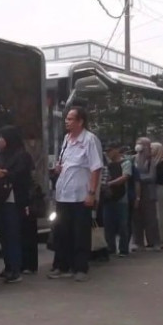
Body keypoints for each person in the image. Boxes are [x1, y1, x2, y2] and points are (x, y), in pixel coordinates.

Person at [48, 106, 102, 283]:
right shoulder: (66, 139)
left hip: (80, 195)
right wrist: (58, 168)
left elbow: (95, 168)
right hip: (63, 193)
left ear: (81, 121)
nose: (67, 121)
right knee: (62, 231)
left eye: (71, 119)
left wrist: (91, 193)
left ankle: (80, 267)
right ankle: (62, 265)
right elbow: (66, 162)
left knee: (80, 233)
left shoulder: (89, 140)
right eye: (67, 118)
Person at [0, 126, 34, 283]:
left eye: (2, 137)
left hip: (15, 200)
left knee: (13, 234)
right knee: (3, 235)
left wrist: (4, 173)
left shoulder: (22, 156)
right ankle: (8, 266)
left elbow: (22, 175)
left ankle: (16, 269)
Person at [101, 143, 131, 257]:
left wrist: (110, 183)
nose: (108, 153)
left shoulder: (126, 163)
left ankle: (123, 249)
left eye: (110, 150)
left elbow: (125, 177)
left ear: (116, 150)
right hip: (108, 198)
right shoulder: (106, 165)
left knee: (122, 225)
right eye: (107, 151)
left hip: (121, 198)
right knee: (108, 225)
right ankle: (111, 248)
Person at [132, 137, 161, 251]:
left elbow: (152, 177)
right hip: (136, 192)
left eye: (142, 144)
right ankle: (138, 242)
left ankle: (153, 242)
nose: (139, 146)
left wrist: (137, 179)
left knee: (150, 218)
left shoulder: (151, 161)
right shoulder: (133, 159)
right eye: (138, 143)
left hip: (148, 193)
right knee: (136, 218)